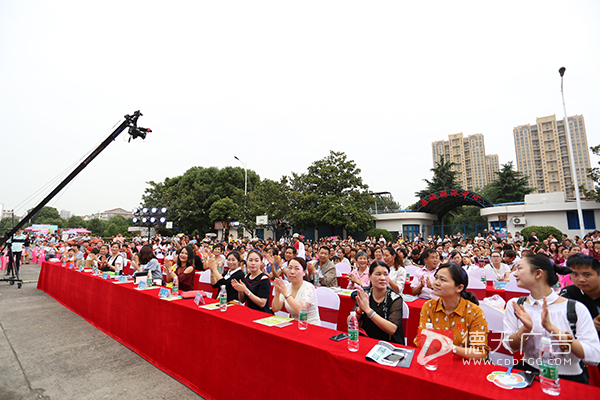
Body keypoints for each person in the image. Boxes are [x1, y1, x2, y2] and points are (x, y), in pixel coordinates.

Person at [503, 254, 600, 383]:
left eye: (520, 268)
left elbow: (593, 356)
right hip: (528, 373)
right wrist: (526, 329)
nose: (514, 274)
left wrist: (553, 330)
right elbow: (510, 346)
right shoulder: (516, 305)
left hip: (569, 379)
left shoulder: (575, 308)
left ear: (538, 273)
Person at [416, 263, 489, 360]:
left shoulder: (474, 312)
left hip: (463, 365)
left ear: (459, 288)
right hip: (434, 361)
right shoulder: (429, 306)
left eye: (443, 280)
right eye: (436, 278)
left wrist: (451, 348)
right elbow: (421, 340)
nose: (436, 283)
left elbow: (479, 353)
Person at [351, 261, 405, 344]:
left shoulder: (395, 298)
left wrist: (368, 311)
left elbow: (392, 329)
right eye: (378, 274)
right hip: (366, 340)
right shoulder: (365, 294)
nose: (383, 278)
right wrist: (359, 311)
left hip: (389, 344)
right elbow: (349, 322)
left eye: (386, 274)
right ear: (369, 276)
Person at [560, 254, 600, 341]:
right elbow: (560, 324)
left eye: (587, 275)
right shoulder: (568, 294)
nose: (581, 279)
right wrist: (589, 326)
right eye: (575, 274)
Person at [272, 257, 321, 326]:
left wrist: (285, 293)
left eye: (296, 269)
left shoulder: (309, 287)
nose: (292, 272)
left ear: (304, 272)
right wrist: (277, 294)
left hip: (310, 325)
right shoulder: (288, 286)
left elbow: (300, 310)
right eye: (290, 268)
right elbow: (275, 308)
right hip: (294, 325)